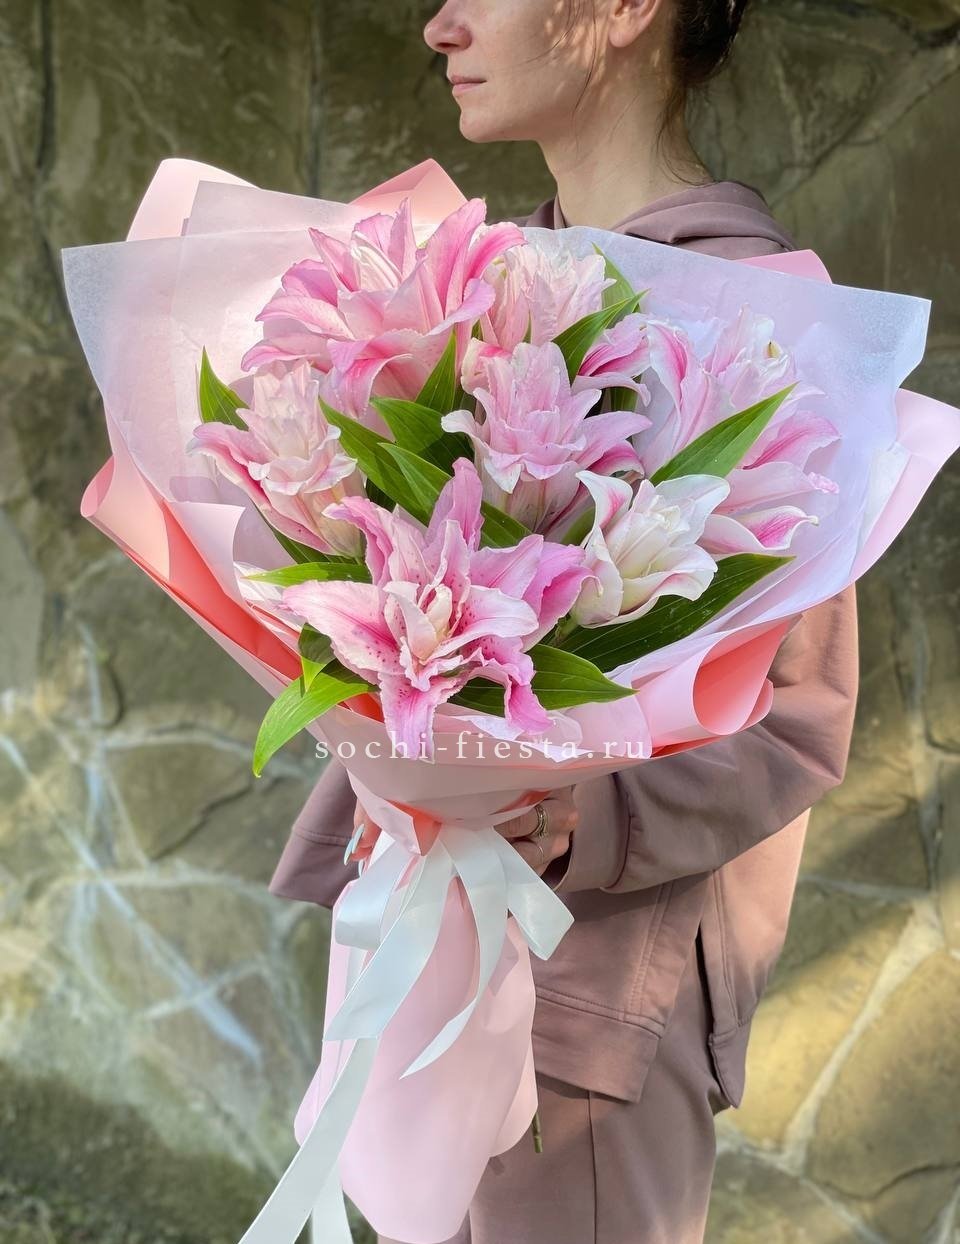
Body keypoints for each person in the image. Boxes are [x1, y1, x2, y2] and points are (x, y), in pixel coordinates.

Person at [267, 2, 861, 1241]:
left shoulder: (759, 319)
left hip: (588, 1017)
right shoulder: (483, 288)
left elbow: (799, 713)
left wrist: (576, 811)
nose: (439, 25)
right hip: (433, 955)